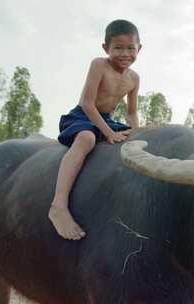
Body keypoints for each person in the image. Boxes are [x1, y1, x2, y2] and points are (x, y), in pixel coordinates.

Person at [48, 20, 142, 240]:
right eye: (118, 47)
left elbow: (131, 113)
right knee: (87, 139)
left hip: (108, 120)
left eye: (130, 48)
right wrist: (108, 133)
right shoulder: (99, 65)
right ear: (105, 48)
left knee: (138, 137)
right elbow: (87, 103)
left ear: (139, 49)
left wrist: (136, 132)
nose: (125, 53)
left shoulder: (134, 78)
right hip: (83, 116)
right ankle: (58, 205)